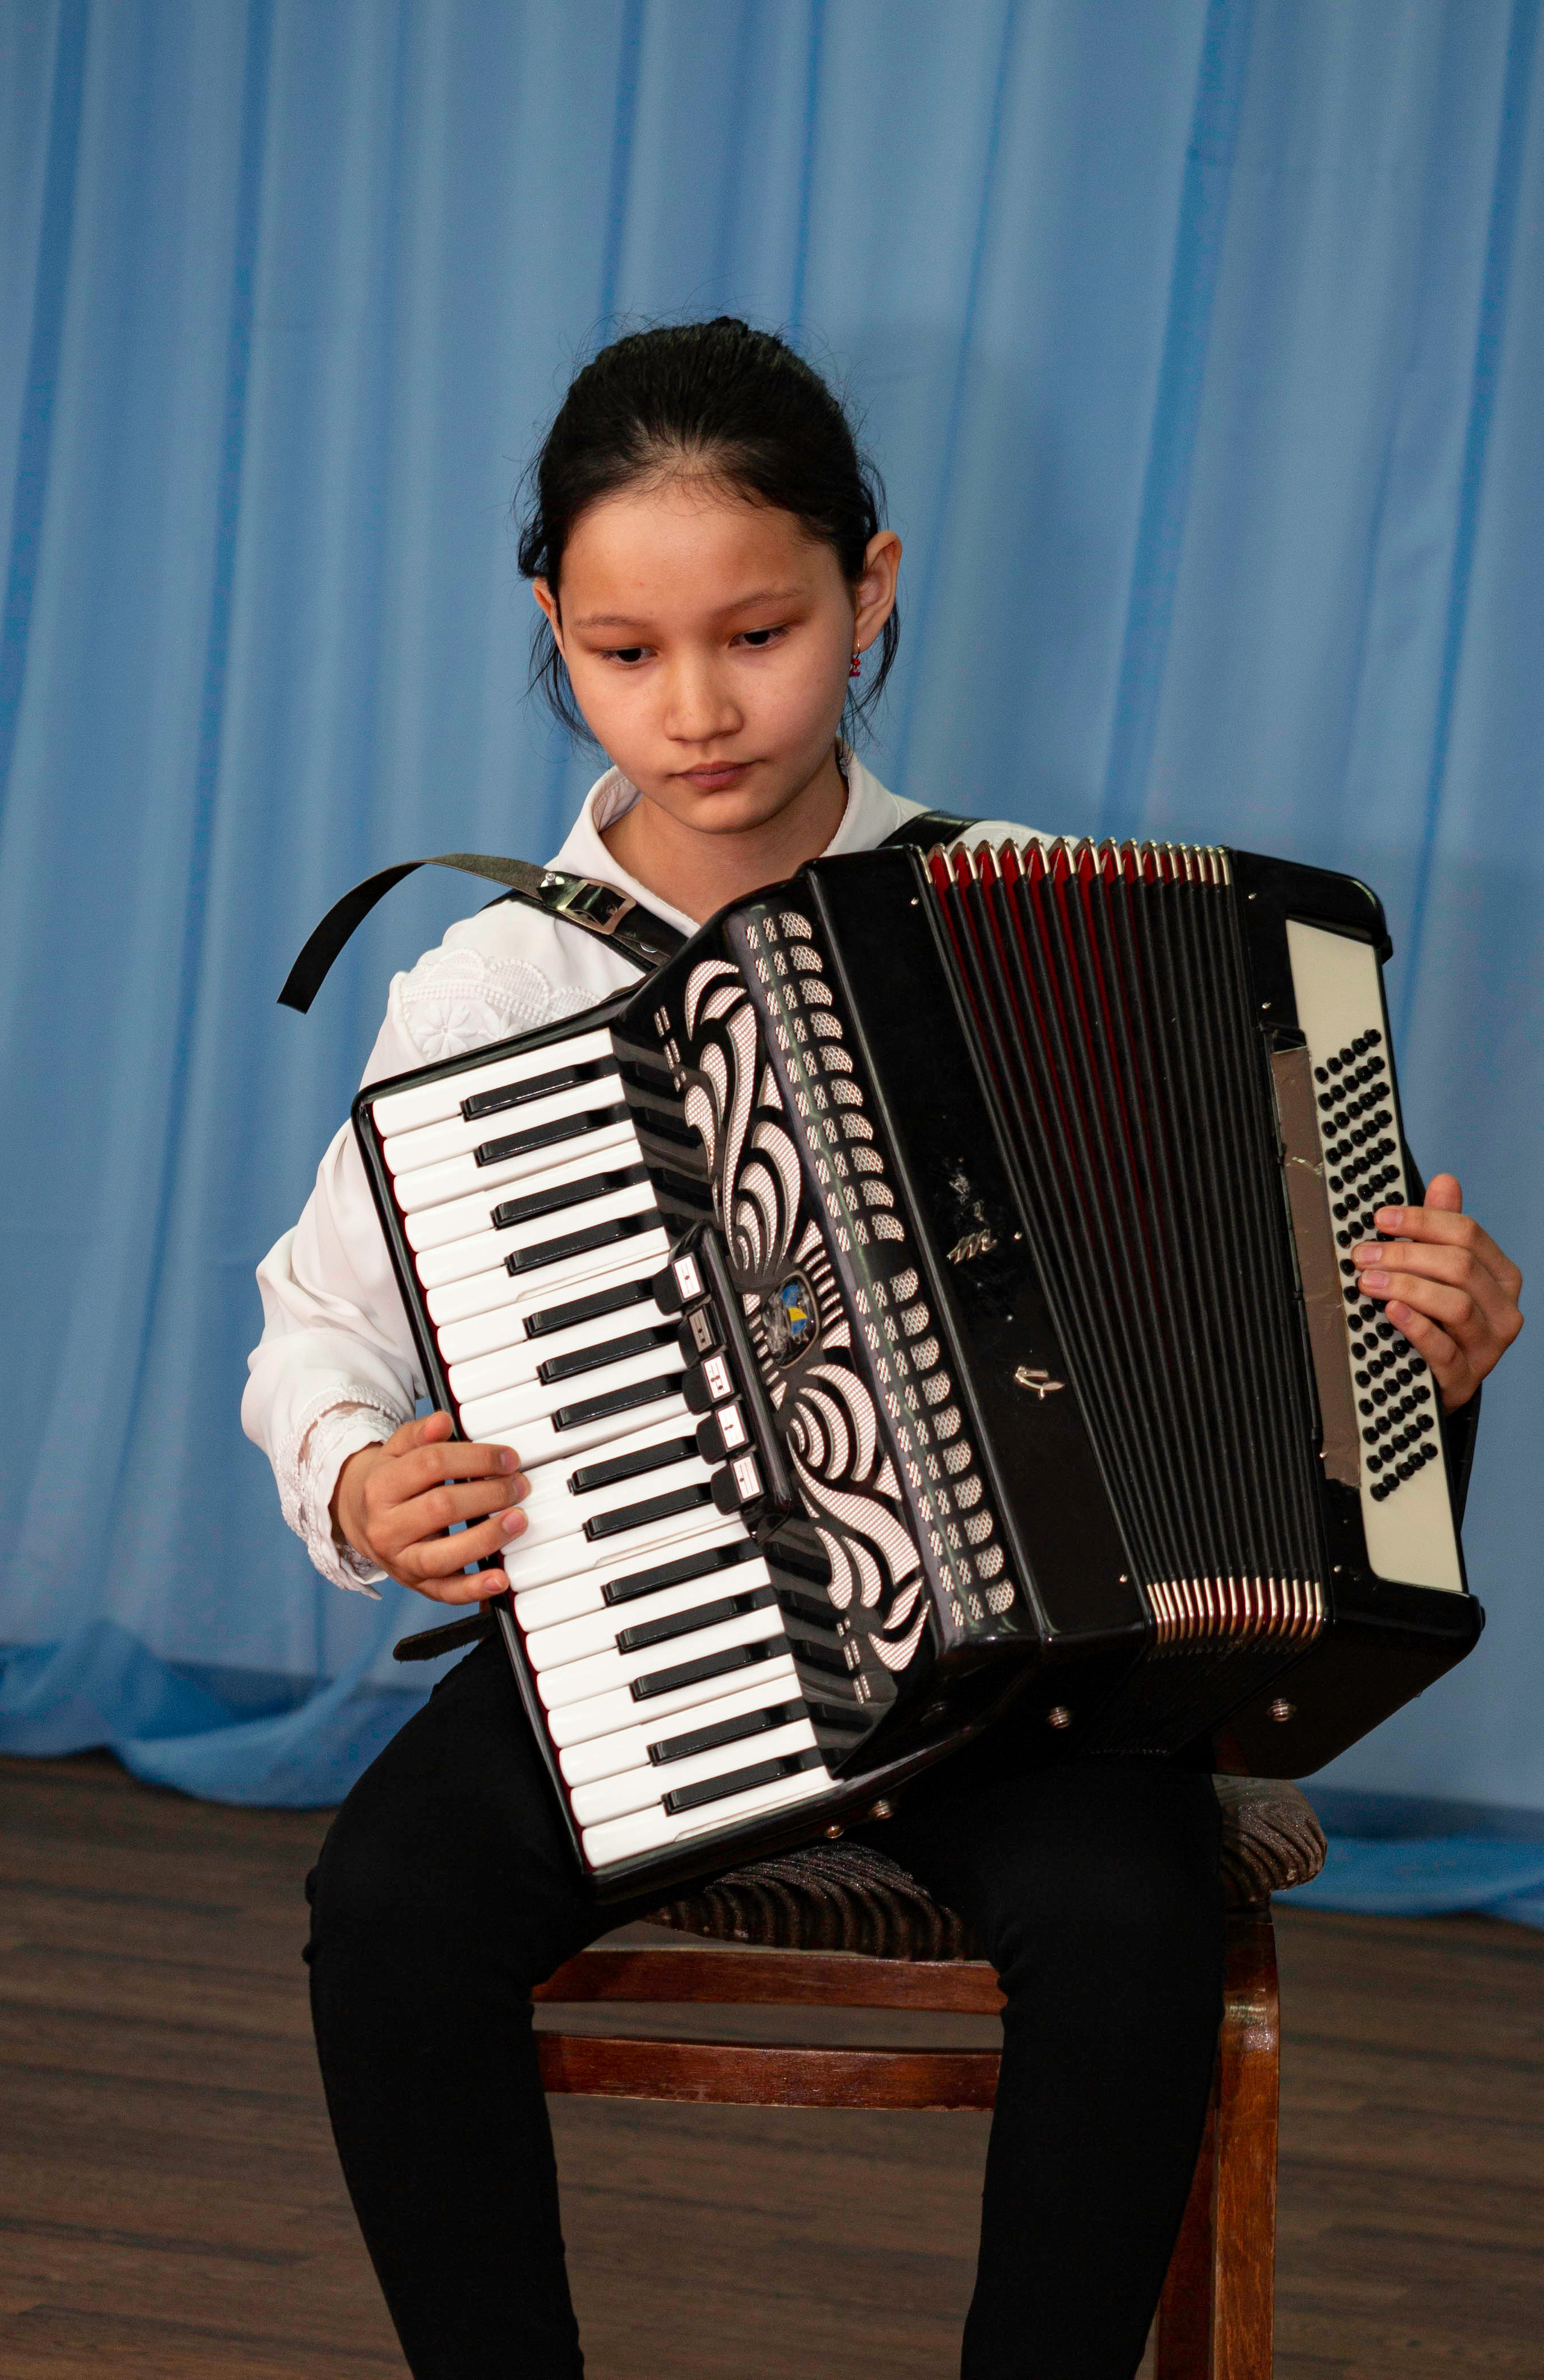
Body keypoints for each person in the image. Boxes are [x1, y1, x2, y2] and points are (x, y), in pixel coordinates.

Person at [243, 319, 1523, 2380]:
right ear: (550, 633)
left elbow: (1269, 1354)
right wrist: (354, 1472)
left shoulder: (1036, 912)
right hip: (636, 1642)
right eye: (625, 650)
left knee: (1132, 1923)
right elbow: (313, 1331)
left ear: (876, 591)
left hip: (1015, 1682)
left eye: (759, 631)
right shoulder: (490, 986)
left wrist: (1428, 1354)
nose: (698, 706)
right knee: (389, 1911)